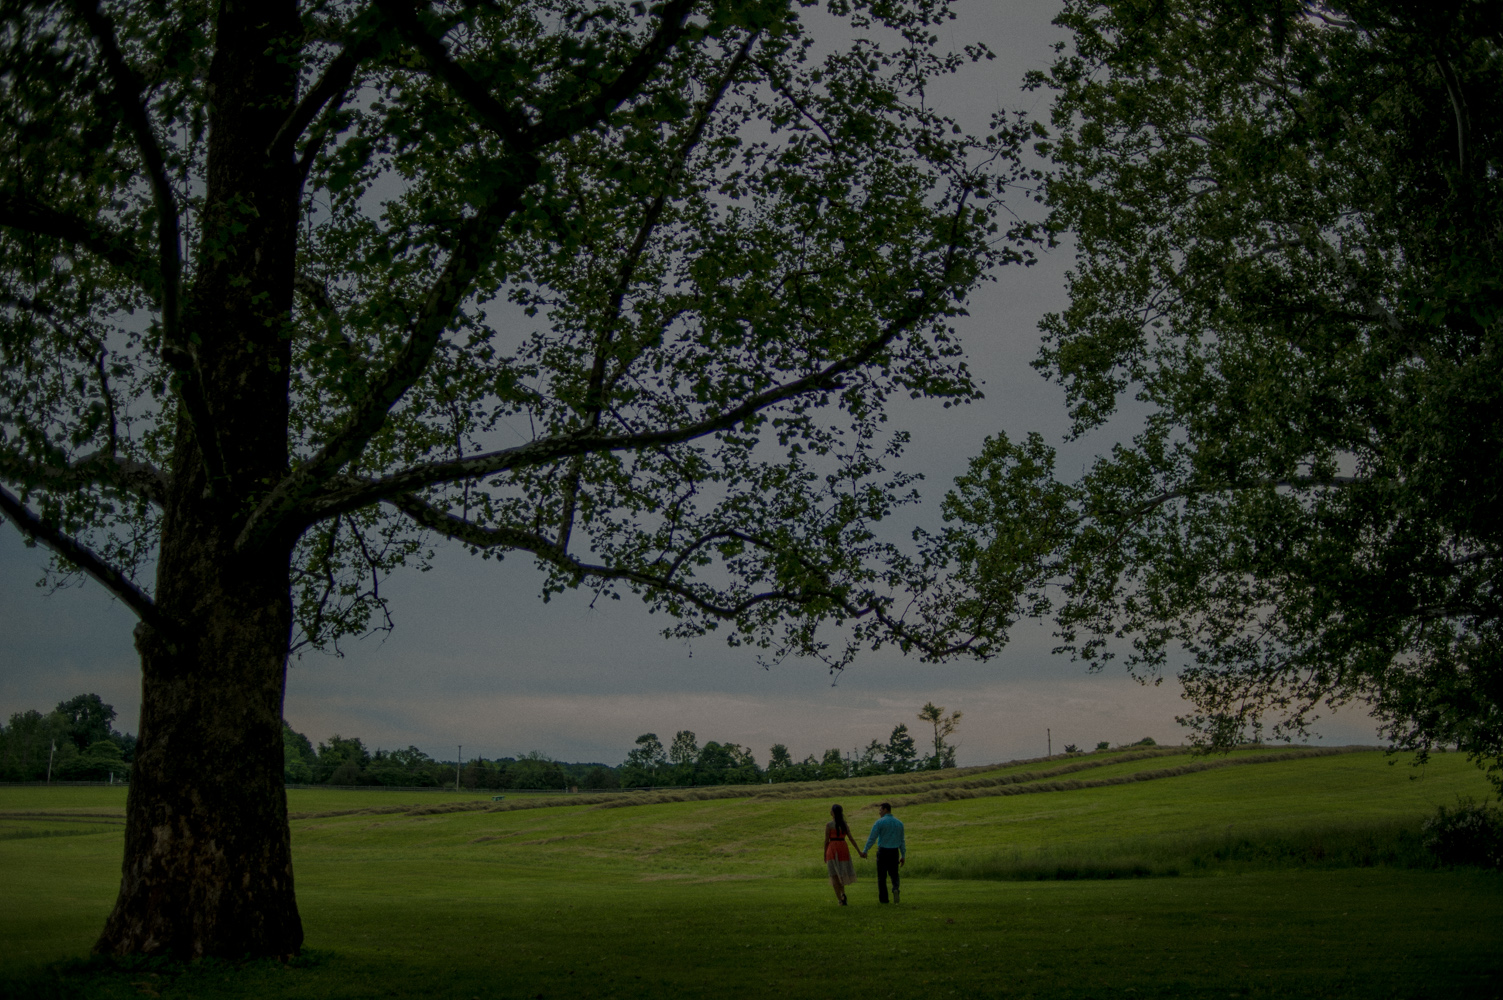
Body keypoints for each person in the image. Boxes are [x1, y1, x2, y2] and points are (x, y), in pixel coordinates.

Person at [863, 801, 905, 904]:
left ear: (886, 810)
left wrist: (865, 850)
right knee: (894, 874)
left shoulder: (879, 822)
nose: (879, 812)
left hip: (883, 851)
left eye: (880, 810)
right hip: (894, 851)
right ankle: (895, 888)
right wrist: (903, 855)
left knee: (882, 877)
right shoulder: (899, 823)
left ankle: (884, 899)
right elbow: (901, 840)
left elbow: (872, 837)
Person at [824, 804, 864, 905]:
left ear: (833, 812)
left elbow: (826, 841)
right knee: (841, 874)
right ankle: (843, 894)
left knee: (834, 875)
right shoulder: (844, 825)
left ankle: (839, 900)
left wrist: (824, 853)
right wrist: (859, 851)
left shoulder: (829, 825)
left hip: (832, 849)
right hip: (843, 848)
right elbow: (851, 839)